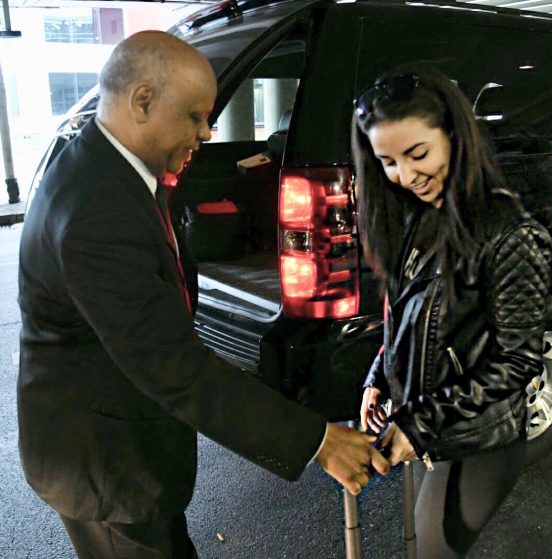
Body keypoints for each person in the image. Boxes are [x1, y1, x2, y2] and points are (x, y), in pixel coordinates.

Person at [17, 31, 389, 559]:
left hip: (122, 441)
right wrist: (317, 441)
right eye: (193, 116)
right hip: (105, 466)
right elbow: (171, 366)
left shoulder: (105, 165)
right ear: (142, 101)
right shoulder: (96, 209)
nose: (207, 132)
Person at [352, 67, 552, 558]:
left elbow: (518, 361)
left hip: (480, 439)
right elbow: (409, 319)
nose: (406, 176)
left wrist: (419, 422)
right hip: (437, 427)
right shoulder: (418, 215)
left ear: (455, 138)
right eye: (388, 162)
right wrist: (379, 377)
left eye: (418, 154)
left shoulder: (511, 233)